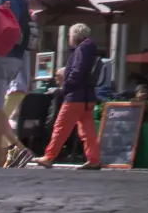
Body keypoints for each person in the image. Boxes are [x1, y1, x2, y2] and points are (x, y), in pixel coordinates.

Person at [33, 24, 101, 168]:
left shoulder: (81, 50)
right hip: (87, 97)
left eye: (69, 35)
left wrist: (65, 88)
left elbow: (76, 72)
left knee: (61, 127)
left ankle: (49, 157)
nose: (69, 38)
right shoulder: (90, 50)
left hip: (75, 96)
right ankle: (94, 159)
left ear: (75, 36)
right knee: (87, 131)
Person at [0, 0, 32, 166]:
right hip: (18, 65)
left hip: (5, 60)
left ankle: (12, 152)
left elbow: (0, 30)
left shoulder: (5, 0)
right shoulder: (22, 2)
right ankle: (8, 154)